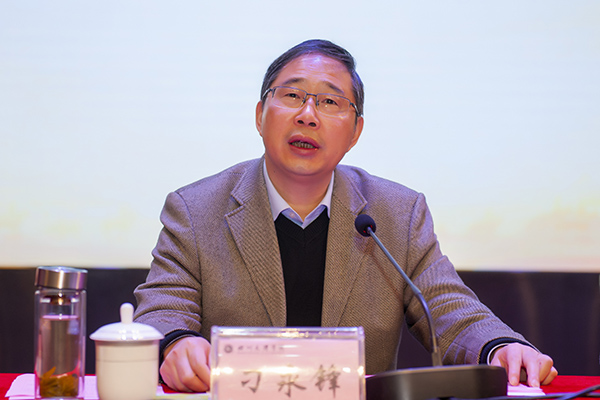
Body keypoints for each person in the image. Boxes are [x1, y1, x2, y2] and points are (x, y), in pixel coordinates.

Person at [133, 39, 557, 393]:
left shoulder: (396, 212)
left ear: (355, 132)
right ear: (260, 115)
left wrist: (499, 346)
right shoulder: (196, 209)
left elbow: (447, 307)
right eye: (292, 96)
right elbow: (161, 310)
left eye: (331, 101)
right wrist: (175, 343)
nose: (307, 115)